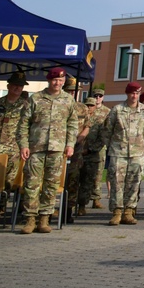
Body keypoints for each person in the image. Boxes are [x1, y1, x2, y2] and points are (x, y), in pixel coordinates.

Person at [16, 67, 79, 234]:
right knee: (32, 184)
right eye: (55, 80)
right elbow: (23, 124)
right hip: (36, 147)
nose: (58, 83)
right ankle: (30, 219)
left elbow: (73, 124)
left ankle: (44, 219)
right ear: (49, 80)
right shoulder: (35, 99)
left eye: (61, 80)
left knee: (51, 185)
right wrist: (23, 144)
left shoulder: (68, 100)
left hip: (57, 149)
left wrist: (70, 144)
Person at [98, 82, 144, 225]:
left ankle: (129, 211)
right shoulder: (117, 109)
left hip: (137, 153)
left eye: (137, 93)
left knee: (134, 183)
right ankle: (117, 212)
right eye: (132, 93)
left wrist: (142, 144)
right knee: (117, 182)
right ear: (127, 94)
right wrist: (111, 146)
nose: (134, 96)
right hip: (118, 152)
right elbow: (106, 130)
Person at [0, 71, 29, 226]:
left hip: (13, 152)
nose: (17, 88)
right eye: (15, 85)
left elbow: (30, 128)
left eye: (20, 86)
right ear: (8, 86)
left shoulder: (26, 107)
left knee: (6, 185)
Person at [63, 75, 91, 223]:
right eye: (69, 91)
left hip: (76, 148)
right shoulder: (60, 105)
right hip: (58, 148)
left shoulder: (82, 107)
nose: (72, 94)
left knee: (73, 179)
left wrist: (79, 139)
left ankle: (68, 209)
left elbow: (87, 126)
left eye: (74, 91)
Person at [78, 87, 110, 213]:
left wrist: (91, 149)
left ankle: (93, 200)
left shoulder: (105, 113)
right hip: (78, 152)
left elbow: (103, 136)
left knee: (94, 177)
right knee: (77, 179)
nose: (97, 99)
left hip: (95, 152)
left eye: (99, 96)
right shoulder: (79, 117)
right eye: (95, 96)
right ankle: (74, 203)